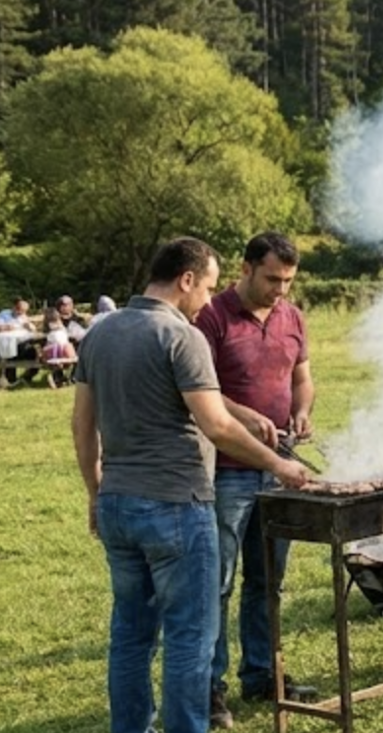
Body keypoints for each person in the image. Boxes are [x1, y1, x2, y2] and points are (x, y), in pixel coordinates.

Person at [72, 237, 310, 733]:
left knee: (131, 636)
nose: (207, 298)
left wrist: (96, 492)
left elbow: (82, 424)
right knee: (189, 638)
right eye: (205, 287)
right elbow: (217, 425)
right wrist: (280, 465)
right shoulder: (183, 336)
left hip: (117, 503)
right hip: (178, 505)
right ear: (185, 280)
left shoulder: (100, 332)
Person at [192, 233, 321, 722]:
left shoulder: (292, 317)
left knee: (268, 580)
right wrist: (243, 416)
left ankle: (263, 675)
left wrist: (302, 411)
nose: (280, 290)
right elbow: (198, 389)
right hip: (227, 472)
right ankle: (210, 688)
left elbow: (302, 378)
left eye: (288, 281)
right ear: (245, 269)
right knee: (218, 583)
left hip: (279, 467)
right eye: (272, 279)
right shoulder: (212, 316)